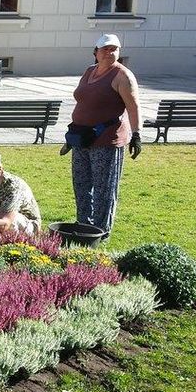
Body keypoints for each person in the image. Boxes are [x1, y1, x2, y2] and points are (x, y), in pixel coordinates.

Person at [64, 33, 141, 240]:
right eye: (105, 49)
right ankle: (83, 226)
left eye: (114, 49)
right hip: (82, 138)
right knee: (81, 184)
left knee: (104, 189)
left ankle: (100, 232)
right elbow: (83, 102)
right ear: (95, 52)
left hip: (107, 140)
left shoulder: (122, 76)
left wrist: (137, 135)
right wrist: (71, 136)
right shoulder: (89, 71)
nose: (110, 52)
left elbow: (133, 108)